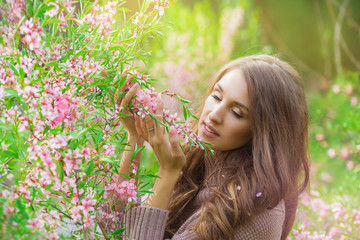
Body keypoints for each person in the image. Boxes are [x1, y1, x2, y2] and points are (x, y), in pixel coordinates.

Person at [116, 54, 310, 240]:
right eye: (216, 96)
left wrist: (167, 174)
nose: (214, 115)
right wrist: (134, 138)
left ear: (262, 134)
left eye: (236, 112)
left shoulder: (258, 213)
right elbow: (114, 228)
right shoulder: (198, 161)